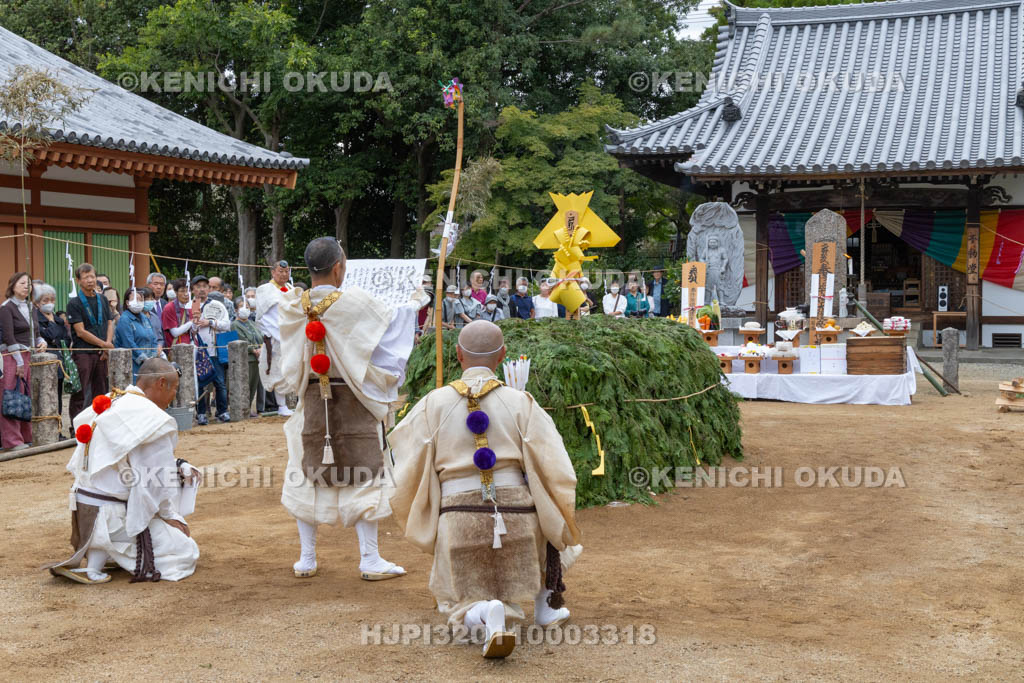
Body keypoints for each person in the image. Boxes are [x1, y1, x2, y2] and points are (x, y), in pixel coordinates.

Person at [388, 320, 581, 658]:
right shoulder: (521, 401)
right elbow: (555, 467)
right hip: (520, 523)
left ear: (458, 355)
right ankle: (546, 605)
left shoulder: (433, 403)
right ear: (503, 355)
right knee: (549, 523)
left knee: (459, 611)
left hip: (458, 522)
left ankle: (482, 613)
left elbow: (404, 456)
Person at [275, 237, 428, 581]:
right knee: (365, 473)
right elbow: (391, 327)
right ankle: (369, 559)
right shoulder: (355, 302)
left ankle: (307, 557)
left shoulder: (291, 307)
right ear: (339, 267)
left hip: (312, 397)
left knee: (305, 472)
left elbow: (286, 359)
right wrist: (417, 302)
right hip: (354, 396)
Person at [46, 358, 201, 584]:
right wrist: (170, 516)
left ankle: (98, 559)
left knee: (121, 487)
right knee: (185, 550)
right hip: (111, 516)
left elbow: (127, 457)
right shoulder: (154, 419)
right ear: (160, 383)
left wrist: (178, 463)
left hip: (83, 507)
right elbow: (154, 480)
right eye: (174, 388)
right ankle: (110, 553)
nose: (174, 395)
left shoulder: (112, 399)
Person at [0, 273, 47, 450]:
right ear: (12, 285)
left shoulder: (31, 307)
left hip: (29, 355)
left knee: (26, 395)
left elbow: (36, 333)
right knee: (11, 396)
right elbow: (8, 336)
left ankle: (27, 436)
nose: (26, 287)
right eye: (22, 283)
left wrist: (42, 342)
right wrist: (19, 361)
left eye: (28, 284)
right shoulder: (6, 308)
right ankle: (11, 441)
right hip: (11, 356)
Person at [67, 264, 114, 422]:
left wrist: (107, 344)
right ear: (78, 280)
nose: (90, 280)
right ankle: (76, 426)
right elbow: (80, 331)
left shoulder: (103, 299)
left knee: (101, 391)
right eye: (86, 277)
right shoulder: (74, 303)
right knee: (80, 392)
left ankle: (100, 423)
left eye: (92, 276)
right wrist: (104, 344)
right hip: (83, 353)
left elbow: (109, 322)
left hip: (101, 353)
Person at [189, 275, 230, 425]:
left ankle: (223, 411)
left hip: (215, 349)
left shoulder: (217, 305)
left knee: (219, 382)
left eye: (205, 286)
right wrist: (195, 324)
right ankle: (201, 413)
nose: (202, 289)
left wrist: (210, 322)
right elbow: (189, 330)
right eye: (198, 286)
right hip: (198, 351)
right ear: (193, 289)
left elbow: (227, 324)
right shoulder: (189, 305)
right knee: (200, 383)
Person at [255, 259, 294, 417]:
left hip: (290, 334)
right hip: (274, 335)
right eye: (281, 271)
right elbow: (265, 315)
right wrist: (276, 333)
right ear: (273, 272)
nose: (284, 274)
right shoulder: (265, 289)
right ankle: (281, 405)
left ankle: (289, 404)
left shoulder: (290, 288)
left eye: (286, 272)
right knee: (276, 370)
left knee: (291, 368)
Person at [34, 283, 72, 425]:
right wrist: (52, 326)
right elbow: (49, 336)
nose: (49, 304)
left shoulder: (59, 320)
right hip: (44, 363)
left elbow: (66, 339)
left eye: (52, 300)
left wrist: (55, 333)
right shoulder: (36, 319)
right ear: (37, 303)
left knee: (58, 397)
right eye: (45, 301)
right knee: (45, 396)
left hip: (59, 361)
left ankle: (58, 426)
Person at [115, 287, 162, 382]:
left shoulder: (145, 318)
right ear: (127, 302)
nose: (138, 302)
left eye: (140, 299)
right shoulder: (124, 319)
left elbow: (153, 338)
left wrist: (153, 356)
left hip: (149, 363)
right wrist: (144, 359)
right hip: (132, 364)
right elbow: (129, 343)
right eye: (134, 299)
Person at [232, 296, 262, 416]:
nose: (245, 309)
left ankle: (249, 408)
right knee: (245, 385)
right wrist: (254, 349)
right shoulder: (235, 324)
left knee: (253, 385)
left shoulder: (253, 323)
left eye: (247, 307)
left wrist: (262, 348)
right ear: (235, 310)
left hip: (257, 359)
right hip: (246, 359)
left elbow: (260, 336)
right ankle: (243, 409)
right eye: (241, 306)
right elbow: (241, 339)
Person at [160, 278, 193, 348]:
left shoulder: (191, 306)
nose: (186, 294)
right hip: (175, 348)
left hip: (190, 346)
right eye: (182, 291)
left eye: (188, 291)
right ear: (175, 292)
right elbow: (175, 333)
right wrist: (192, 322)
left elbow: (194, 331)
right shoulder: (169, 307)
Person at [145, 272, 168, 340]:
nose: (159, 287)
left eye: (162, 284)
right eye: (155, 284)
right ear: (148, 285)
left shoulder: (166, 304)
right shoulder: (144, 305)